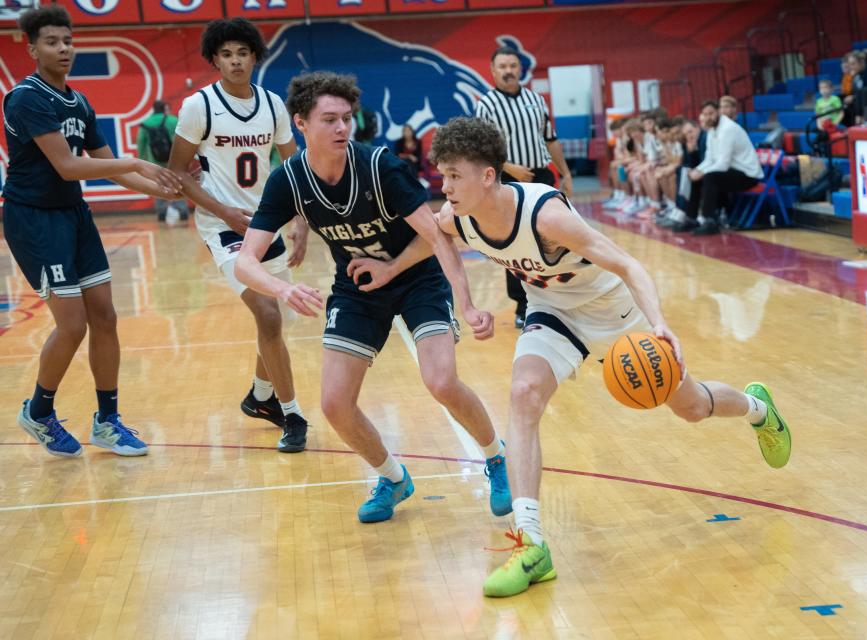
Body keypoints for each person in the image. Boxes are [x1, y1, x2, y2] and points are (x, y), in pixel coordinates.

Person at [403, 117, 790, 597]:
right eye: (442, 175)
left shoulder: (546, 216)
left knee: (691, 408)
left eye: (455, 175)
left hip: (615, 313)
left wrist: (661, 323)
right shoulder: (457, 215)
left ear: (487, 176)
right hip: (553, 312)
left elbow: (628, 264)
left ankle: (758, 410)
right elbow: (435, 238)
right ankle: (532, 545)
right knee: (523, 393)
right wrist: (461, 299)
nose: (446, 186)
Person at [234, 72, 511, 523]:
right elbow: (246, 260)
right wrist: (282, 287)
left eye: (347, 118)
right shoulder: (288, 180)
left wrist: (467, 303)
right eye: (330, 120)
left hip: (417, 277)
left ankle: (497, 458)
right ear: (301, 124)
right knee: (334, 403)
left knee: (441, 380)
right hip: (358, 287)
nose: (343, 128)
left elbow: (438, 236)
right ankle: (393, 477)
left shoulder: (381, 166)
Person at [3, 5, 181, 457]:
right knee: (72, 324)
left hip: (73, 215)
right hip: (35, 219)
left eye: (67, 41)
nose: (63, 49)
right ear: (32, 49)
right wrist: (137, 161)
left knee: (105, 316)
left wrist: (164, 187)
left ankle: (107, 420)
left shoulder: (79, 101)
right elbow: (68, 166)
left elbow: (112, 170)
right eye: (51, 42)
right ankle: (39, 411)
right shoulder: (26, 98)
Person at [166, 17, 311, 453]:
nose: (235, 61)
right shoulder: (199, 106)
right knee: (268, 315)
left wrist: (300, 222)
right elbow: (176, 174)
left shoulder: (272, 105)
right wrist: (223, 211)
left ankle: (260, 397)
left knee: (271, 318)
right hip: (222, 226)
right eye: (226, 54)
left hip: (267, 224)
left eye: (242, 53)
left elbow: (294, 167)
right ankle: (293, 414)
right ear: (215, 60)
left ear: (254, 56)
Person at [475, 46, 574, 329]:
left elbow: (551, 139)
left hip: (541, 176)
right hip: (509, 181)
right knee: (516, 241)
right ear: (493, 71)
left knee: (556, 237)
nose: (508, 70)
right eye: (502, 66)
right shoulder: (487, 105)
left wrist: (565, 172)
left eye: (513, 65)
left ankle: (558, 296)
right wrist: (509, 167)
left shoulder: (536, 99)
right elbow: (482, 149)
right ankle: (523, 304)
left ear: (520, 69)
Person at [687, 101, 762, 235]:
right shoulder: (712, 129)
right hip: (731, 171)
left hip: (748, 175)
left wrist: (702, 173)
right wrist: (697, 170)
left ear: (718, 112)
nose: (708, 117)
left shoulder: (728, 128)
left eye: (711, 113)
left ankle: (709, 220)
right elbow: (709, 159)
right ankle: (691, 217)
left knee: (710, 177)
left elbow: (722, 164)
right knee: (694, 175)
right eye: (705, 114)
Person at [136, 99, 189, 223]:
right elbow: (184, 139)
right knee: (178, 185)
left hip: (154, 162)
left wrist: (143, 161)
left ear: (153, 109)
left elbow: (141, 144)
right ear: (164, 108)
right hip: (175, 160)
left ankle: (161, 213)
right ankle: (183, 212)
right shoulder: (173, 120)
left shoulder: (145, 123)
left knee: (158, 186)